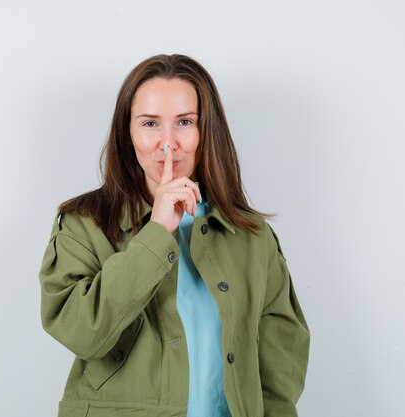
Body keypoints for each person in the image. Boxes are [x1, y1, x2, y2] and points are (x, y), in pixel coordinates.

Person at [38, 53, 310, 417]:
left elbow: (281, 360)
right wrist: (156, 232)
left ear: (205, 131)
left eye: (184, 122)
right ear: (127, 133)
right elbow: (81, 331)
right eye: (150, 123)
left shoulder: (252, 236)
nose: (168, 143)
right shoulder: (83, 223)